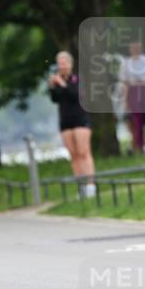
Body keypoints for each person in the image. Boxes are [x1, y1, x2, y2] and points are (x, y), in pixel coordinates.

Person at [48, 51, 96, 197]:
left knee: (83, 152)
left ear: (70, 64)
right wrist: (52, 87)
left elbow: (75, 96)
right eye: (60, 64)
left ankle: (90, 186)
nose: (62, 66)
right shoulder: (57, 81)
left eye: (64, 63)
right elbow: (55, 99)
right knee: (74, 155)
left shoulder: (77, 79)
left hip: (80, 119)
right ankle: (81, 186)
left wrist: (62, 84)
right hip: (65, 121)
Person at [118, 41, 145, 152]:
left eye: (137, 47)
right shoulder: (125, 63)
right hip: (133, 90)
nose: (135, 49)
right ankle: (139, 148)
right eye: (133, 47)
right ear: (130, 49)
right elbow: (124, 83)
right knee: (137, 121)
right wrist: (125, 101)